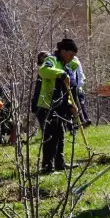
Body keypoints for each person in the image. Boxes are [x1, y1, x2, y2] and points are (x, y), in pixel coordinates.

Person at [36, 40, 79, 173]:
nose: (72, 58)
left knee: (60, 134)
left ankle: (60, 163)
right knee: (50, 137)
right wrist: (61, 74)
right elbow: (43, 71)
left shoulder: (65, 65)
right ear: (64, 51)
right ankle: (47, 166)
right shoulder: (52, 60)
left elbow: (65, 89)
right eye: (71, 54)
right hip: (47, 106)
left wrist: (71, 105)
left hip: (60, 106)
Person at [63, 39, 92, 128]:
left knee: (80, 104)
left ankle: (84, 120)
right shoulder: (63, 61)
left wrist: (79, 85)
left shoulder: (75, 60)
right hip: (67, 86)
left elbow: (80, 73)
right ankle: (73, 124)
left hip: (76, 86)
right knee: (71, 106)